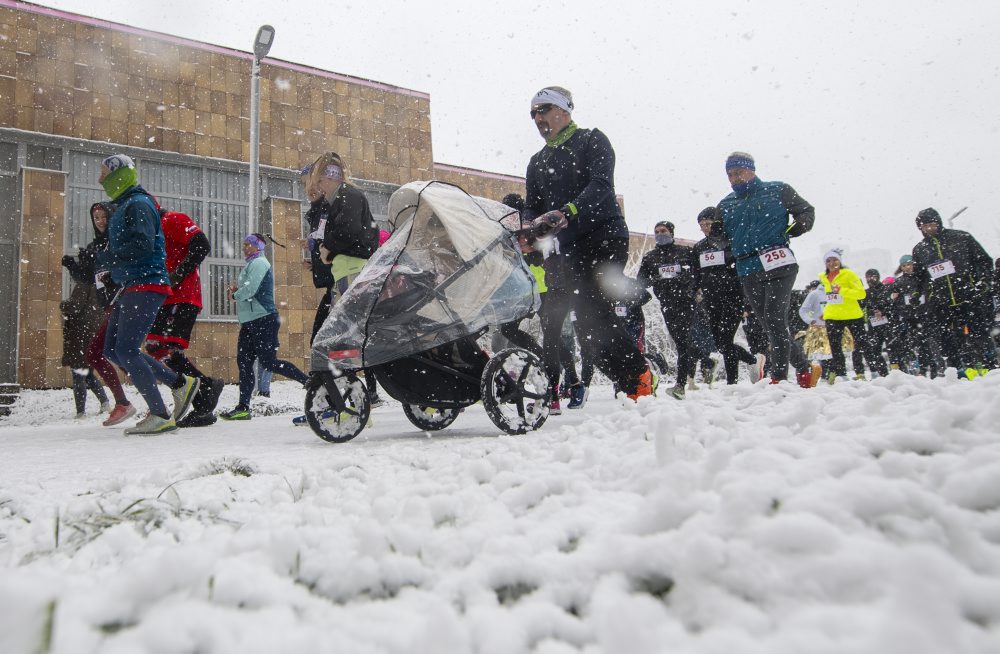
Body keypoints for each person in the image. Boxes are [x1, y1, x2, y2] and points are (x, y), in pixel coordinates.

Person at [522, 86, 652, 401]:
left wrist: (568, 211)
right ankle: (635, 377)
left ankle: (638, 380)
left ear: (563, 110)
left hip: (603, 236)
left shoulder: (592, 140)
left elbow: (602, 185)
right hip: (568, 248)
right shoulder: (537, 162)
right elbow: (532, 204)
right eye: (533, 113)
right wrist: (527, 227)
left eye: (543, 109)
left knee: (596, 311)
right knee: (587, 330)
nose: (538, 118)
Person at [96, 154, 200, 434]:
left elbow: (142, 246)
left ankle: (160, 414)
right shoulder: (126, 205)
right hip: (131, 284)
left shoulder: (138, 204)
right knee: (111, 349)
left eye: (104, 173)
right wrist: (110, 269)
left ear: (120, 175)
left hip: (147, 284)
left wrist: (110, 258)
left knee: (127, 350)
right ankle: (179, 383)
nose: (99, 179)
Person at [717, 151, 814, 387]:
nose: (734, 178)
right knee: (768, 323)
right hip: (747, 267)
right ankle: (804, 367)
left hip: (778, 261)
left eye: (739, 172)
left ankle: (779, 378)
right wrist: (725, 241)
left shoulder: (778, 190)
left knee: (774, 318)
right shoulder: (726, 203)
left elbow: (806, 211)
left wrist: (797, 228)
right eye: (730, 174)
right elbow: (718, 234)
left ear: (751, 170)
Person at [145, 207, 225, 428]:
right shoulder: (150, 234)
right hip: (166, 297)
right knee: (156, 348)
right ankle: (204, 397)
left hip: (182, 296)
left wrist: (177, 275)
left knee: (165, 349)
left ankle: (205, 390)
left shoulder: (173, 219)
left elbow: (202, 246)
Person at [63, 202, 138, 426]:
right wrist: (73, 267)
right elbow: (87, 279)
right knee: (108, 354)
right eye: (96, 218)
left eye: (104, 216)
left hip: (124, 303)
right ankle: (128, 401)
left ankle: (158, 395)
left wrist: (113, 277)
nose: (100, 221)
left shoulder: (118, 243)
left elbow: (125, 270)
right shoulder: (96, 246)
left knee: (118, 354)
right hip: (110, 308)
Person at [221, 233, 309, 420]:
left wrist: (236, 295)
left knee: (269, 362)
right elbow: (249, 290)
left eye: (248, 244)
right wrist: (239, 292)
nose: (244, 247)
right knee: (244, 364)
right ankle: (243, 407)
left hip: (264, 319)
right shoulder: (251, 264)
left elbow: (251, 289)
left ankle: (309, 382)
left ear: (258, 246)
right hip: (249, 321)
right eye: (243, 244)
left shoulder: (260, 263)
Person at [910, 208, 997, 377]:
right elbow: (919, 277)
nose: (929, 229)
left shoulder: (961, 238)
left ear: (939, 223)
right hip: (941, 301)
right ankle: (960, 370)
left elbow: (984, 261)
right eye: (924, 226)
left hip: (969, 295)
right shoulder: (920, 249)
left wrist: (984, 282)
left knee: (979, 333)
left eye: (932, 224)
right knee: (949, 338)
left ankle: (991, 367)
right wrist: (916, 294)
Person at [691, 206, 757, 385]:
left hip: (732, 297)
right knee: (720, 343)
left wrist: (746, 303)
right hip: (711, 300)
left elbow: (743, 273)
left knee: (726, 340)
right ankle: (752, 360)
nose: (705, 227)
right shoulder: (699, 247)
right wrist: (694, 293)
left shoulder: (732, 242)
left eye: (708, 223)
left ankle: (732, 381)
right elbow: (696, 275)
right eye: (702, 224)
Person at [638, 220, 697, 399]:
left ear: (671, 232)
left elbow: (697, 274)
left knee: (683, 342)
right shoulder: (650, 257)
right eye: (657, 231)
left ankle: (680, 384)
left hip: (687, 301)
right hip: (667, 303)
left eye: (663, 231)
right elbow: (641, 281)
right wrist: (655, 278)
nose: (660, 234)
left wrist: (688, 281)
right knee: (681, 340)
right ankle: (706, 360)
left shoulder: (686, 252)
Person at [818, 249, 886, 383]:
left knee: (863, 344)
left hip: (852, 315)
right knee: (835, 347)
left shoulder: (849, 274)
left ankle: (874, 372)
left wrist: (842, 290)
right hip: (833, 316)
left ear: (840, 261)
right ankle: (841, 375)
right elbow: (830, 297)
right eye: (828, 261)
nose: (832, 263)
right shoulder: (823, 277)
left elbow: (861, 294)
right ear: (825, 263)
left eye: (835, 260)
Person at [60, 257, 110, 419]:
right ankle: (105, 402)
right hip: (92, 334)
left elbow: (74, 307)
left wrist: (63, 305)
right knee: (86, 373)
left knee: (79, 373)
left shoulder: (84, 284)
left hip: (80, 335)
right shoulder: (100, 285)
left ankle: (80, 411)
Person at [862, 268, 893, 376]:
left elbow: (892, 306)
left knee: (892, 349)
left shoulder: (886, 289)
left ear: (878, 277)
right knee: (875, 350)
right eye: (867, 277)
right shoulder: (865, 293)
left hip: (888, 324)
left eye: (872, 276)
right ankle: (884, 373)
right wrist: (872, 312)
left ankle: (898, 372)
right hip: (873, 326)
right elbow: (862, 307)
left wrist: (883, 312)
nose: (870, 279)